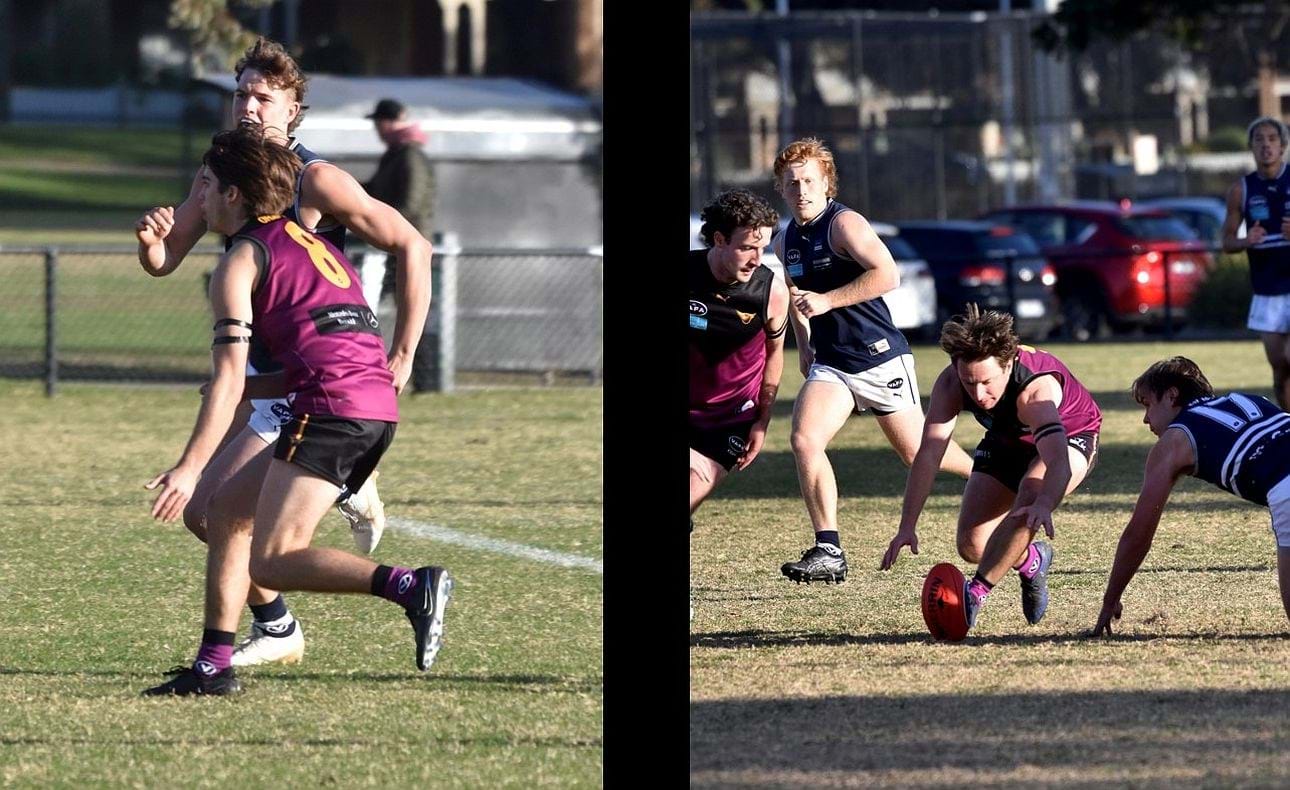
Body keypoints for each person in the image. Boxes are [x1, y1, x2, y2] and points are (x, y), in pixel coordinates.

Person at [134, 37, 432, 668]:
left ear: (293, 110)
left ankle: (252, 634)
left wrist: (404, 352)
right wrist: (152, 243)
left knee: (227, 518)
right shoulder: (222, 174)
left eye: (262, 98)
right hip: (270, 373)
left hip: (309, 379)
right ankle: (274, 625)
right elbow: (166, 259)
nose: (248, 107)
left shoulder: (315, 178)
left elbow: (414, 245)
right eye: (240, 94)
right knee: (207, 517)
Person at [770, 137, 974, 584]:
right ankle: (829, 549)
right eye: (792, 183)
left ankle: (993, 473)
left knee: (919, 454)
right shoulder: (785, 240)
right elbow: (795, 294)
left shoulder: (845, 224)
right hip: (833, 363)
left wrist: (828, 301)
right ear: (781, 189)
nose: (801, 190)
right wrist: (805, 345)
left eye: (809, 181)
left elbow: (888, 274)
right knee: (804, 439)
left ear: (827, 184)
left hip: (878, 357)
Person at [880, 305, 1102, 633]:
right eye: (969, 382)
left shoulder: (1035, 391)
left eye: (986, 382)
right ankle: (1032, 561)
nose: (979, 394)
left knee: (1030, 495)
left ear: (1008, 364)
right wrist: (906, 526)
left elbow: (1058, 462)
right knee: (972, 545)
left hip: (1070, 436)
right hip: (1008, 438)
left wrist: (1044, 503)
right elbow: (928, 455)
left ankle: (975, 595)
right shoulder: (951, 383)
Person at [1093, 357, 1290, 636]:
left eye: (1148, 404)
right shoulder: (1248, 399)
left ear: (1171, 395)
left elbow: (1138, 534)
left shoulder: (1173, 441)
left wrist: (1110, 598)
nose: (1146, 418)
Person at [689, 190, 789, 620]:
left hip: (729, 420)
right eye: (748, 247)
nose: (756, 258)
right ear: (718, 240)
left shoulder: (770, 291)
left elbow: (775, 356)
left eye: (762, 247)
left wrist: (762, 420)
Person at [1222, 116, 1290, 410]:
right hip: (1266, 291)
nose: (1266, 145)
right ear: (1251, 147)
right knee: (1280, 367)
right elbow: (1227, 242)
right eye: (1259, 139)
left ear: (1283, 146)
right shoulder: (1241, 189)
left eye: (1272, 139)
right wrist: (1246, 240)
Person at [362, 98, 436, 306]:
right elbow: (375, 190)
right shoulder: (395, 154)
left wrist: (381, 224)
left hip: (408, 241)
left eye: (378, 123)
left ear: (388, 123)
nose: (377, 130)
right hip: (393, 241)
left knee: (410, 304)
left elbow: (411, 203)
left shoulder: (409, 156)